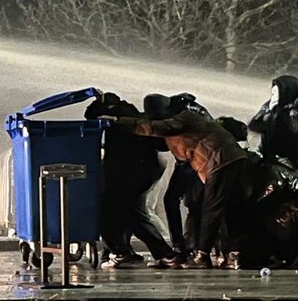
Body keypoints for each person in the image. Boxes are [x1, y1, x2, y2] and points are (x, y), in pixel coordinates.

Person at [106, 99, 254, 269]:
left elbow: (159, 128)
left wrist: (119, 122)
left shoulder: (184, 118)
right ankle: (233, 255)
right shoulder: (187, 125)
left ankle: (202, 256)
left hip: (219, 161)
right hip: (229, 160)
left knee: (212, 209)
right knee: (228, 209)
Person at [85, 93, 178, 268]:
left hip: (129, 174)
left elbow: (90, 115)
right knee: (127, 212)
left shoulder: (118, 119)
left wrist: (100, 102)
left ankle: (158, 253)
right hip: (145, 172)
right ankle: (125, 251)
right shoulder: (134, 115)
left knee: (117, 212)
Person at [147, 93, 210, 257]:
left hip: (193, 162)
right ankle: (193, 245)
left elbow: (164, 144)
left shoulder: (176, 118)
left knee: (177, 200)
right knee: (195, 203)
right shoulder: (191, 109)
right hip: (200, 161)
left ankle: (184, 245)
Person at [249, 75, 298, 171]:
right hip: (266, 157)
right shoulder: (269, 106)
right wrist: (269, 112)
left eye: (276, 93)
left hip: (289, 163)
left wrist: (281, 115)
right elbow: (254, 126)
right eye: (272, 93)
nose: (273, 97)